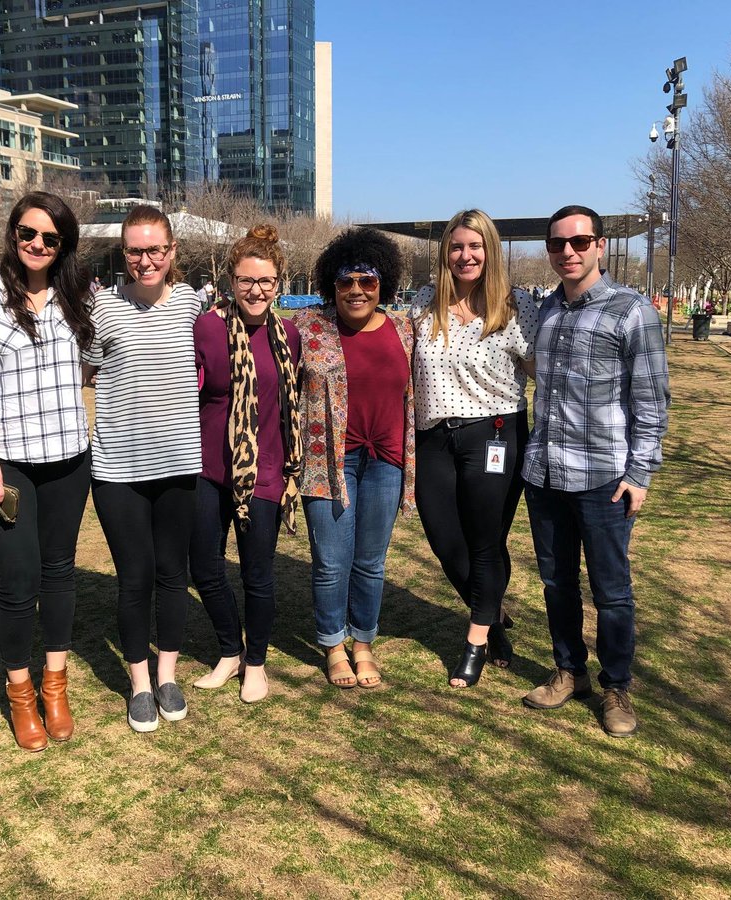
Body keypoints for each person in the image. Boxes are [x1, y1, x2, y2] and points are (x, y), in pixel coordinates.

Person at [0, 191, 95, 752]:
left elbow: (101, 356)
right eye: (27, 233)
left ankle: (54, 685)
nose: (37, 244)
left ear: (64, 246)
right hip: (4, 460)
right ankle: (20, 693)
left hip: (67, 456)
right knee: (18, 581)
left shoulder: (79, 294)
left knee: (59, 572)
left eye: (50, 238)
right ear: (13, 234)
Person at [521, 205, 670, 738]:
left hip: (605, 477)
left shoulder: (631, 311)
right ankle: (569, 671)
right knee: (556, 581)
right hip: (544, 474)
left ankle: (617, 686)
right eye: (559, 243)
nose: (569, 252)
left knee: (611, 589)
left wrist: (641, 472)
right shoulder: (545, 312)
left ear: (601, 246)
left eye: (580, 242)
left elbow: (652, 400)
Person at [84, 205, 202, 733]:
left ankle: (168, 673)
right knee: (134, 578)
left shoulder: (195, 307)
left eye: (156, 249)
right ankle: (139, 684)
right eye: (136, 250)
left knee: (173, 574)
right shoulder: (102, 309)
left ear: (172, 251)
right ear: (124, 253)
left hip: (179, 464)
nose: (146, 259)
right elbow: (81, 373)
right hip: (118, 469)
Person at [410, 209, 537, 687]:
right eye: (458, 246)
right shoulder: (425, 303)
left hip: (495, 435)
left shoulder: (514, 304)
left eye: (476, 246)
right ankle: (494, 616)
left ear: (491, 251)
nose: (466, 255)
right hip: (434, 438)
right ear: (446, 252)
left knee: (486, 544)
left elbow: (539, 369)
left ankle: (477, 640)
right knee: (446, 542)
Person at [293, 228, 415, 689]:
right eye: (346, 281)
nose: (357, 290)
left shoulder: (406, 328)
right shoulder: (309, 327)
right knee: (330, 560)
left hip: (386, 460)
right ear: (332, 284)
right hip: (329, 461)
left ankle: (363, 642)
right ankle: (333, 645)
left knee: (371, 561)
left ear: (383, 283)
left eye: (367, 280)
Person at [189, 224, 303, 704]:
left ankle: (256, 662)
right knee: (205, 566)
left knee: (257, 574)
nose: (256, 291)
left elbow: (290, 408)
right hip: (207, 470)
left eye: (266, 282)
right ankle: (229, 650)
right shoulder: (208, 327)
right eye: (246, 281)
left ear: (279, 283)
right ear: (230, 282)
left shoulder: (289, 336)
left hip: (264, 473)